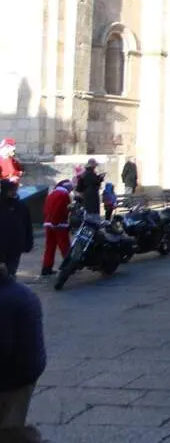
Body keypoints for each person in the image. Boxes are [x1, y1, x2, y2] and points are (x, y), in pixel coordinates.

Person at [0, 264, 45, 436]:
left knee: (9, 431)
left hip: (14, 379)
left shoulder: (5, 301)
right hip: (28, 372)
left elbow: (3, 349)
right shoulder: (20, 291)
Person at [41, 180, 73, 276]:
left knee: (50, 246)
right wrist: (56, 222)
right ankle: (69, 266)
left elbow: (46, 209)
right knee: (65, 246)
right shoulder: (63, 195)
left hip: (48, 223)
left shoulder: (51, 194)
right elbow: (59, 209)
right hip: (59, 224)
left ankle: (46, 267)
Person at [0, 180, 33, 276]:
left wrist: (28, 243)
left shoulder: (21, 206)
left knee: (10, 273)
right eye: (11, 190)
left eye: (14, 190)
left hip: (15, 247)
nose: (14, 192)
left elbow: (27, 225)